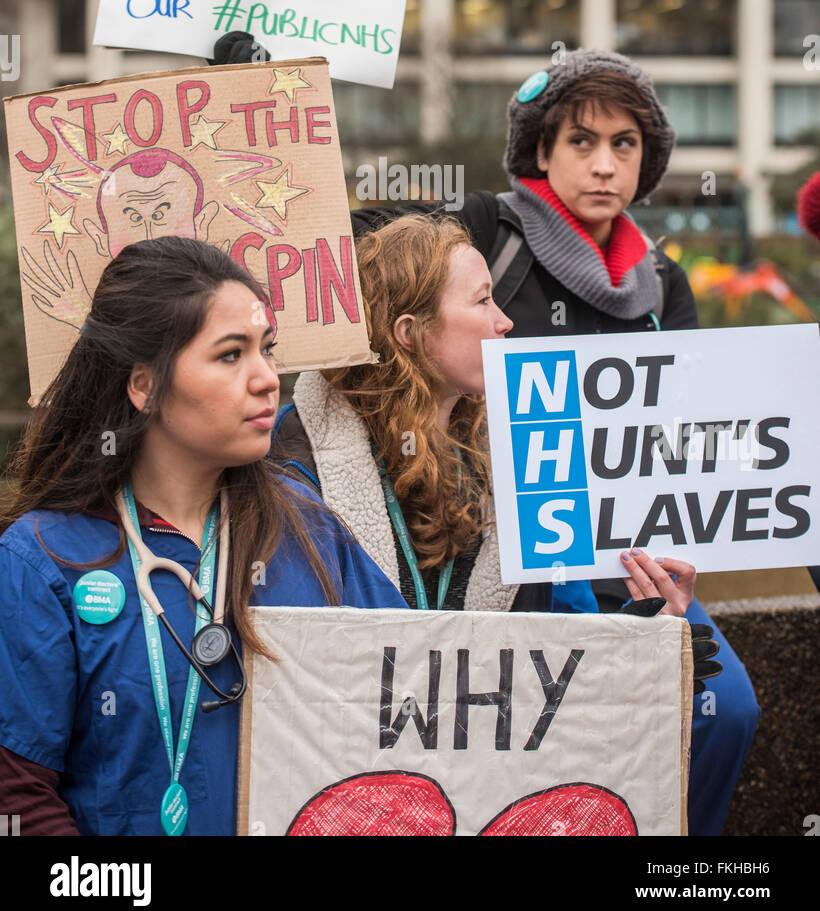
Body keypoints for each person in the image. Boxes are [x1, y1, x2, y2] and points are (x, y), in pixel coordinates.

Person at [349, 48, 760, 836]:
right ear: (541, 151)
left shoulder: (663, 284)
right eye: (580, 141)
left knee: (724, 707)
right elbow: (369, 250)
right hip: (489, 549)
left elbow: (679, 433)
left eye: (625, 145)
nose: (603, 164)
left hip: (628, 555)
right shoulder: (482, 230)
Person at [0, 236, 405, 837]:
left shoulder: (310, 529)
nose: (268, 379)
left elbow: (407, 708)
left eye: (267, 351)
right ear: (144, 386)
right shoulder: (43, 561)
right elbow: (17, 797)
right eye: (230, 355)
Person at [274, 214, 715, 629]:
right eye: (483, 300)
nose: (505, 322)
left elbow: (571, 633)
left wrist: (646, 628)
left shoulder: (533, 451)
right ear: (409, 332)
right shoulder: (299, 460)